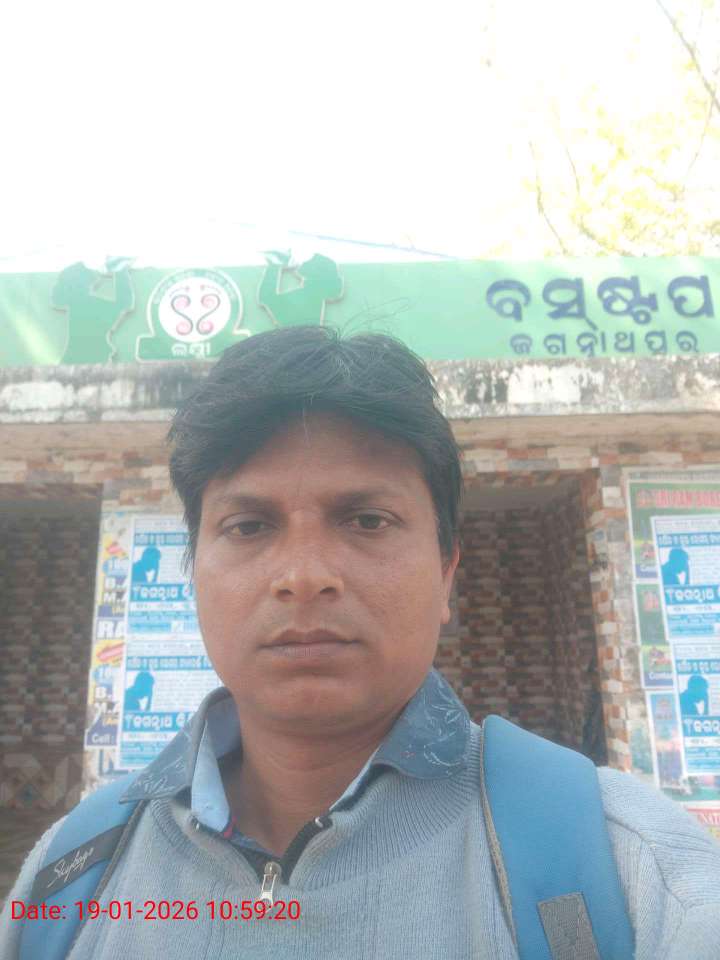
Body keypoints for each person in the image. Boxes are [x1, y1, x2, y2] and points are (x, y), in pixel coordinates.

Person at [2, 324, 720, 959]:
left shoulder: (633, 868)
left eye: (367, 520)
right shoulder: (71, 876)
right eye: (249, 526)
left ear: (446, 572)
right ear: (193, 573)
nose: (304, 577)